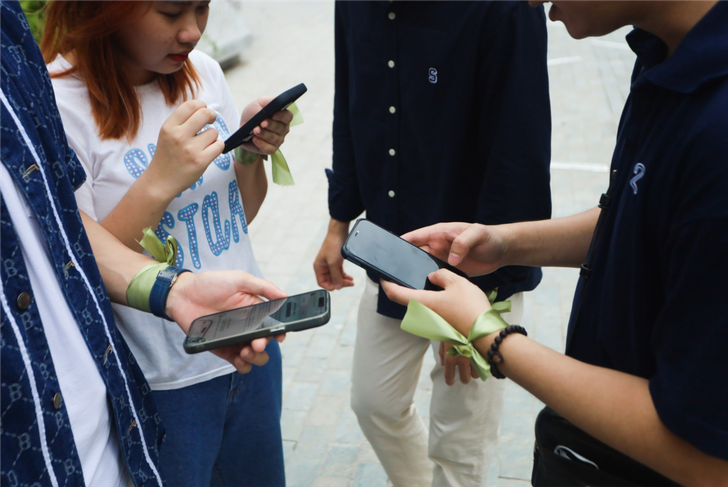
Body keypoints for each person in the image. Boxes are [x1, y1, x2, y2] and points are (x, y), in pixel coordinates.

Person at [380, 0, 728, 485]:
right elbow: (639, 219)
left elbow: (709, 458)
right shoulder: (665, 54)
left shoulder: (719, 129)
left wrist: (490, 335)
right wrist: (506, 244)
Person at [0, 0, 285, 485]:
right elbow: (77, 267)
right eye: (171, 13)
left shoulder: (204, 75)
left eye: (202, 8)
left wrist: (252, 154)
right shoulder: (56, 105)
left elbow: (237, 216)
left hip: (250, 353)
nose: (192, 32)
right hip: (161, 383)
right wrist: (159, 181)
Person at [313, 1, 552, 485]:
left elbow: (518, 157)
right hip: (391, 249)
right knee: (373, 402)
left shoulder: (505, 10)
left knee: (460, 442)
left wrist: (480, 302)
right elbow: (351, 104)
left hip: (483, 272)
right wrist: (339, 222)